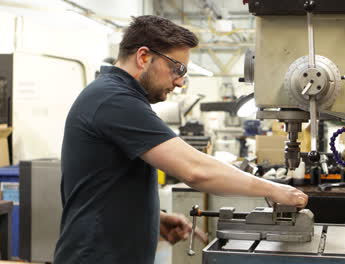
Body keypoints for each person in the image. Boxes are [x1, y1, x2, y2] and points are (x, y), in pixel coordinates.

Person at [54, 15, 308, 264]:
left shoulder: (114, 95)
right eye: (177, 69)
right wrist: (274, 189)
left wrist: (155, 218)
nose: (179, 81)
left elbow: (106, 182)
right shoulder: (113, 99)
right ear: (143, 57)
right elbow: (195, 170)